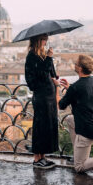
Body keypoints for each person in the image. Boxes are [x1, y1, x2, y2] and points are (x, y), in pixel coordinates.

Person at [25, 34, 59, 169]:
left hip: (49, 95)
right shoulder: (31, 56)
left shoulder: (43, 55)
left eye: (46, 38)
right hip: (41, 96)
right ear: (38, 40)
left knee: (47, 126)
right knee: (40, 126)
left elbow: (51, 73)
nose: (46, 41)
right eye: (44, 39)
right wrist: (49, 58)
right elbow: (40, 75)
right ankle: (36, 158)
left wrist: (54, 78)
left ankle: (43, 157)